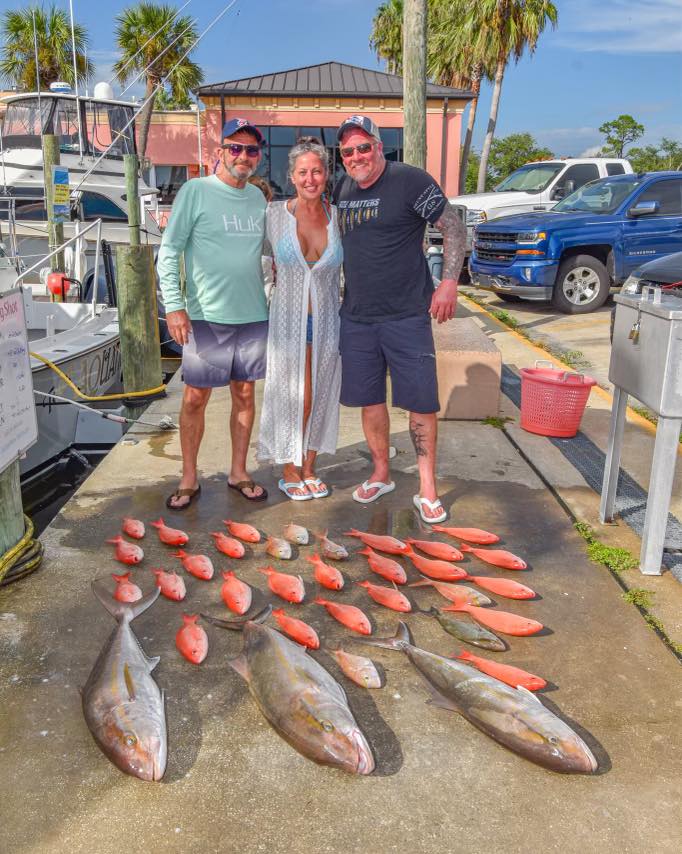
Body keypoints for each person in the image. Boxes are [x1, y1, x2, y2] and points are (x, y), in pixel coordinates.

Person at [332, 115, 467, 524]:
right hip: (357, 316)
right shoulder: (341, 188)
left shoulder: (410, 180)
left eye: (364, 147)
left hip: (407, 315)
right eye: (348, 151)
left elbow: (454, 227)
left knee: (419, 402)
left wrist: (448, 282)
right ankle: (381, 473)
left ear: (378, 146)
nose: (357, 157)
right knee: (370, 401)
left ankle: (427, 487)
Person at [158, 118, 270, 509]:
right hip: (205, 315)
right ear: (220, 151)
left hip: (253, 313)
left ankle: (238, 471)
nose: (243, 155)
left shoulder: (258, 199)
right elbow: (170, 251)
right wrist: (174, 305)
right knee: (194, 399)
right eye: (235, 147)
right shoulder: (195, 191)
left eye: (251, 149)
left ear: (258, 156)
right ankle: (189, 477)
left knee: (245, 394)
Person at [257, 137, 343, 500]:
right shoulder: (274, 216)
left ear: (326, 174)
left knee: (322, 392)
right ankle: (289, 468)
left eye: (317, 171)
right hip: (288, 321)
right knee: (296, 394)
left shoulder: (338, 217)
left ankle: (309, 466)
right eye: (303, 172)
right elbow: (256, 262)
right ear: (291, 176)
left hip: (327, 322)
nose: (311, 178)